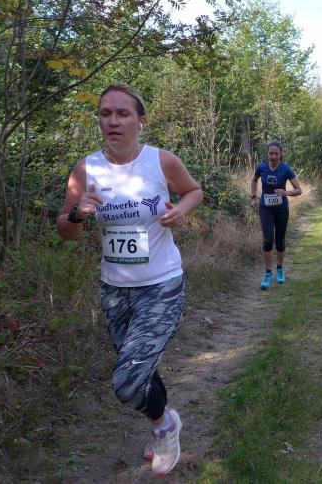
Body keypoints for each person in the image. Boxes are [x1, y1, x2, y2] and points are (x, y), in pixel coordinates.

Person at [57, 84, 203, 477]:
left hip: (162, 284)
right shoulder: (86, 169)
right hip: (115, 288)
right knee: (139, 369)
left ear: (141, 121)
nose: (113, 121)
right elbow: (65, 230)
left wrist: (181, 211)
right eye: (105, 113)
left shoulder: (161, 161)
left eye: (123, 113)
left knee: (126, 381)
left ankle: (165, 428)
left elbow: (193, 191)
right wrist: (77, 215)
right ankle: (163, 423)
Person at [251, 141, 302, 289]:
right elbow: (254, 180)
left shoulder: (286, 169)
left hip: (281, 209)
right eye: (271, 153)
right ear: (267, 153)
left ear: (281, 154)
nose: (273, 156)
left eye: (276, 153)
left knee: (279, 240)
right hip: (265, 207)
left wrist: (286, 193)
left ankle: (279, 269)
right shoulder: (261, 167)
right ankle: (268, 273)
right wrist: (253, 197)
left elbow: (299, 190)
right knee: (267, 240)